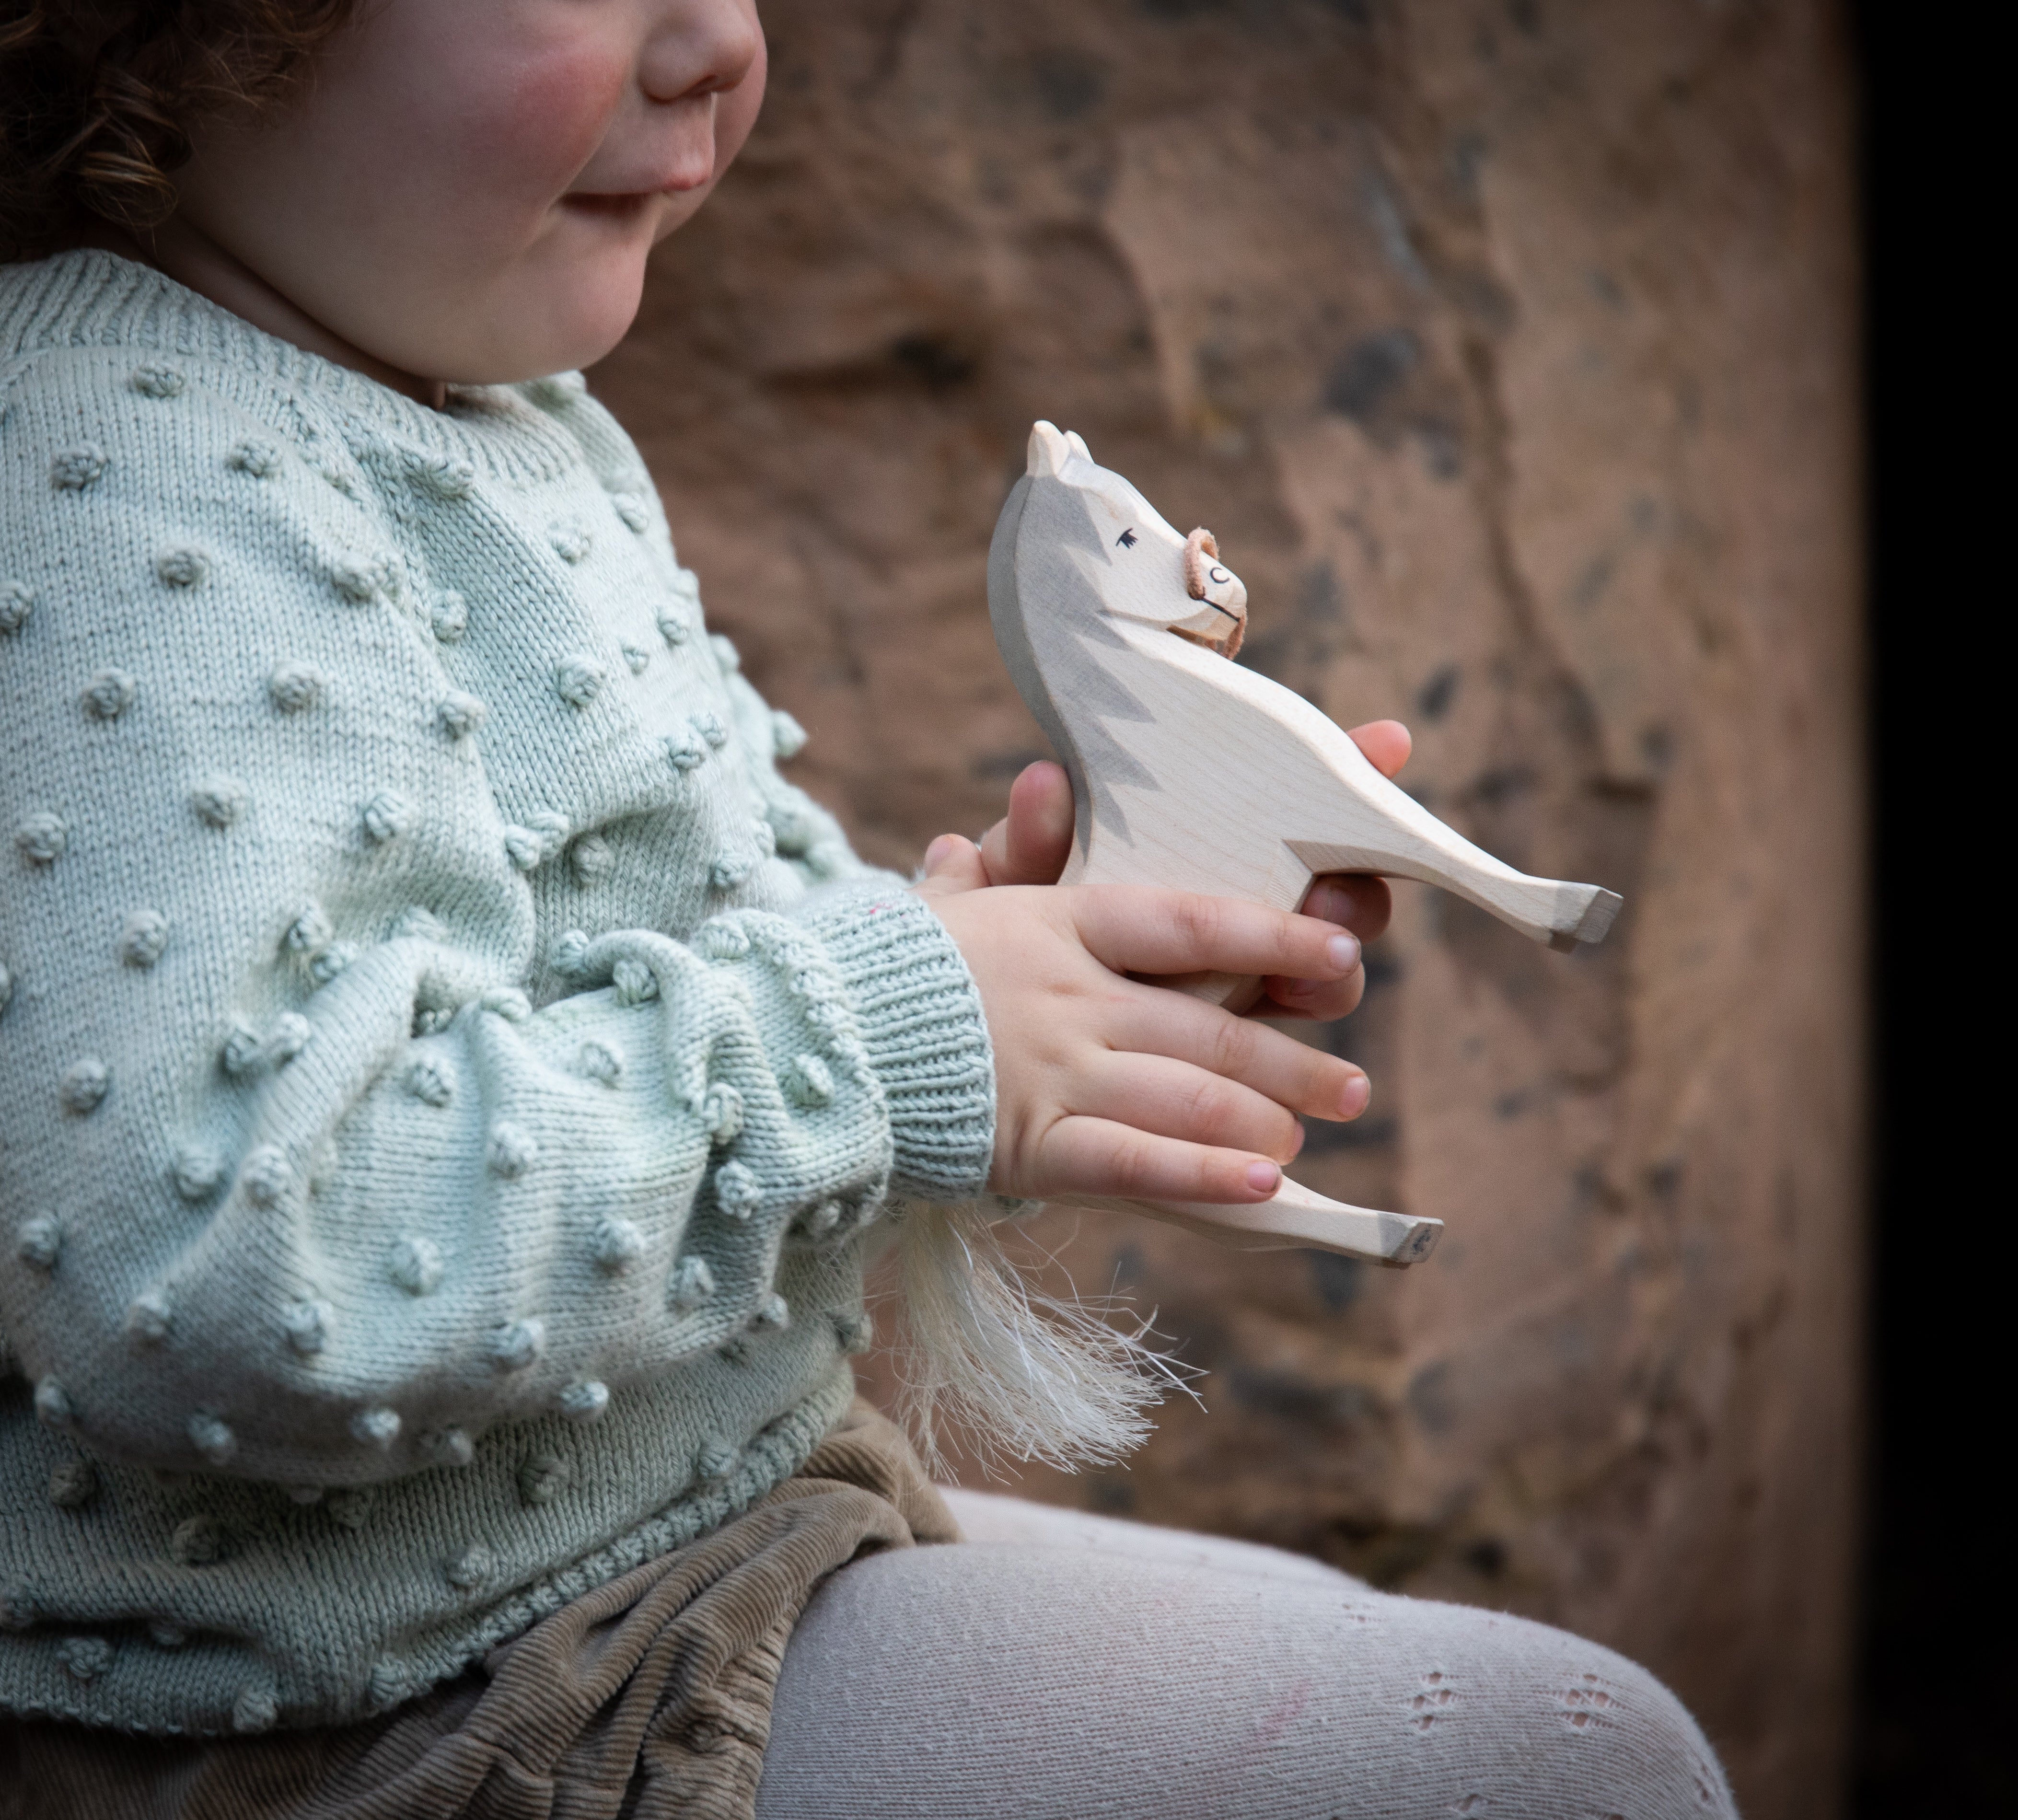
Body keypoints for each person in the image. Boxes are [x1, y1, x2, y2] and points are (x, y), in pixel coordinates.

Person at [0, 3, 1738, 1814]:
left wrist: (1027, 968)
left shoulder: (488, 409)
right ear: (186, 27)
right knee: (1559, 1762)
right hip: (394, 1709)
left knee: (1373, 1653)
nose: (715, 46)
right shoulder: (115, 481)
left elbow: (668, 943)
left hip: (684, 1546)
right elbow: (219, 1267)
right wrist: (886, 1032)